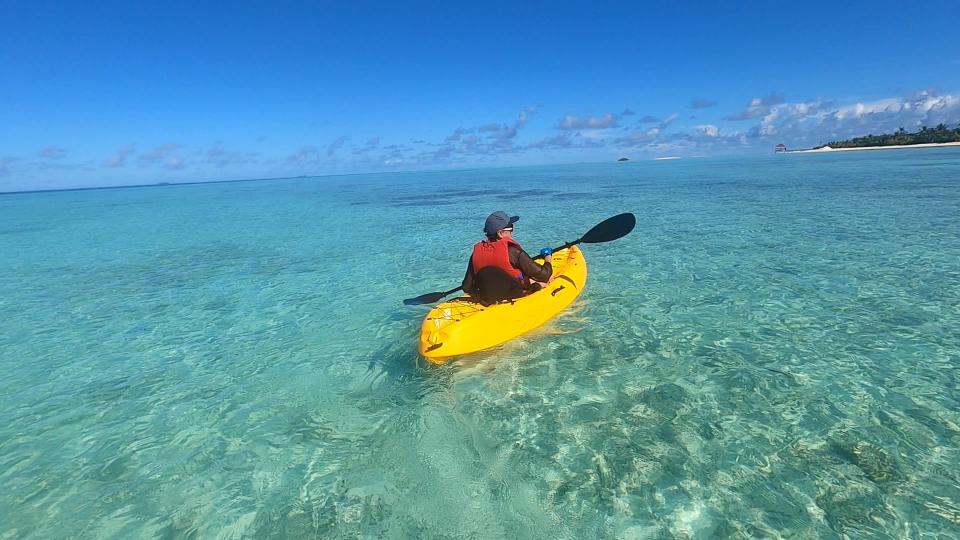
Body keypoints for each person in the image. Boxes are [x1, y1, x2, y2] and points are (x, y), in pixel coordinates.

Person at [462, 211, 553, 305]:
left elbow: (466, 287)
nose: (512, 234)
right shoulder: (513, 252)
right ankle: (534, 284)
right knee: (543, 279)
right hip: (516, 296)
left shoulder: (476, 253)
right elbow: (545, 274)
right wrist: (547, 257)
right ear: (500, 233)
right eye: (511, 229)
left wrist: (478, 294)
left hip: (488, 298)